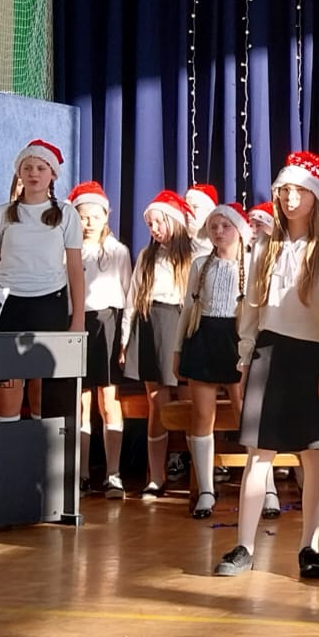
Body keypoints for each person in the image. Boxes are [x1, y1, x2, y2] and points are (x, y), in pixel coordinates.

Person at [215, 153, 319, 579]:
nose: (291, 199)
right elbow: (251, 308)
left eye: (299, 192)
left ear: (316, 198)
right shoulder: (265, 245)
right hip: (269, 352)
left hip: (313, 356)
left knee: (314, 454)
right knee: (259, 453)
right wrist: (246, 355)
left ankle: (310, 545)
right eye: (284, 191)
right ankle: (244, 545)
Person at [0, 139, 85, 421]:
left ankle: (40, 443)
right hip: (8, 304)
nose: (33, 173)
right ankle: (7, 441)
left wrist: (78, 318)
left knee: (44, 383)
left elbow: (75, 269)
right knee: (9, 382)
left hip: (49, 303)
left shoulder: (67, 215)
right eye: (28, 168)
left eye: (40, 167)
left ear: (52, 174)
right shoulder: (0, 214)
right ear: (19, 174)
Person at [175, 202, 251, 519]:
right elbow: (188, 308)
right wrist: (177, 349)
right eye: (214, 227)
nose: (219, 232)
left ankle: (265, 488)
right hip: (204, 338)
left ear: (239, 230)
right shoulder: (199, 265)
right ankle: (206, 489)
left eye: (225, 226)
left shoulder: (253, 264)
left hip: (237, 341)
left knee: (247, 414)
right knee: (202, 415)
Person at [120, 190, 195, 499]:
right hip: (150, 325)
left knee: (190, 403)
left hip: (181, 325)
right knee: (157, 403)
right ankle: (156, 476)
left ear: (174, 221)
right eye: (150, 224)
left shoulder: (193, 255)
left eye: (159, 222)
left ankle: (199, 477)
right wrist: (125, 339)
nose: (154, 229)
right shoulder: (146, 257)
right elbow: (132, 300)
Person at [70, 182, 132, 497]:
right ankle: (81, 473)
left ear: (106, 216)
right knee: (80, 402)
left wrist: (124, 340)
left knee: (109, 401)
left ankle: (113, 473)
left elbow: (128, 296)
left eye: (96, 216)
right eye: (83, 216)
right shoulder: (68, 251)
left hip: (108, 323)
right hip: (76, 324)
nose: (90, 222)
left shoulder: (118, 251)